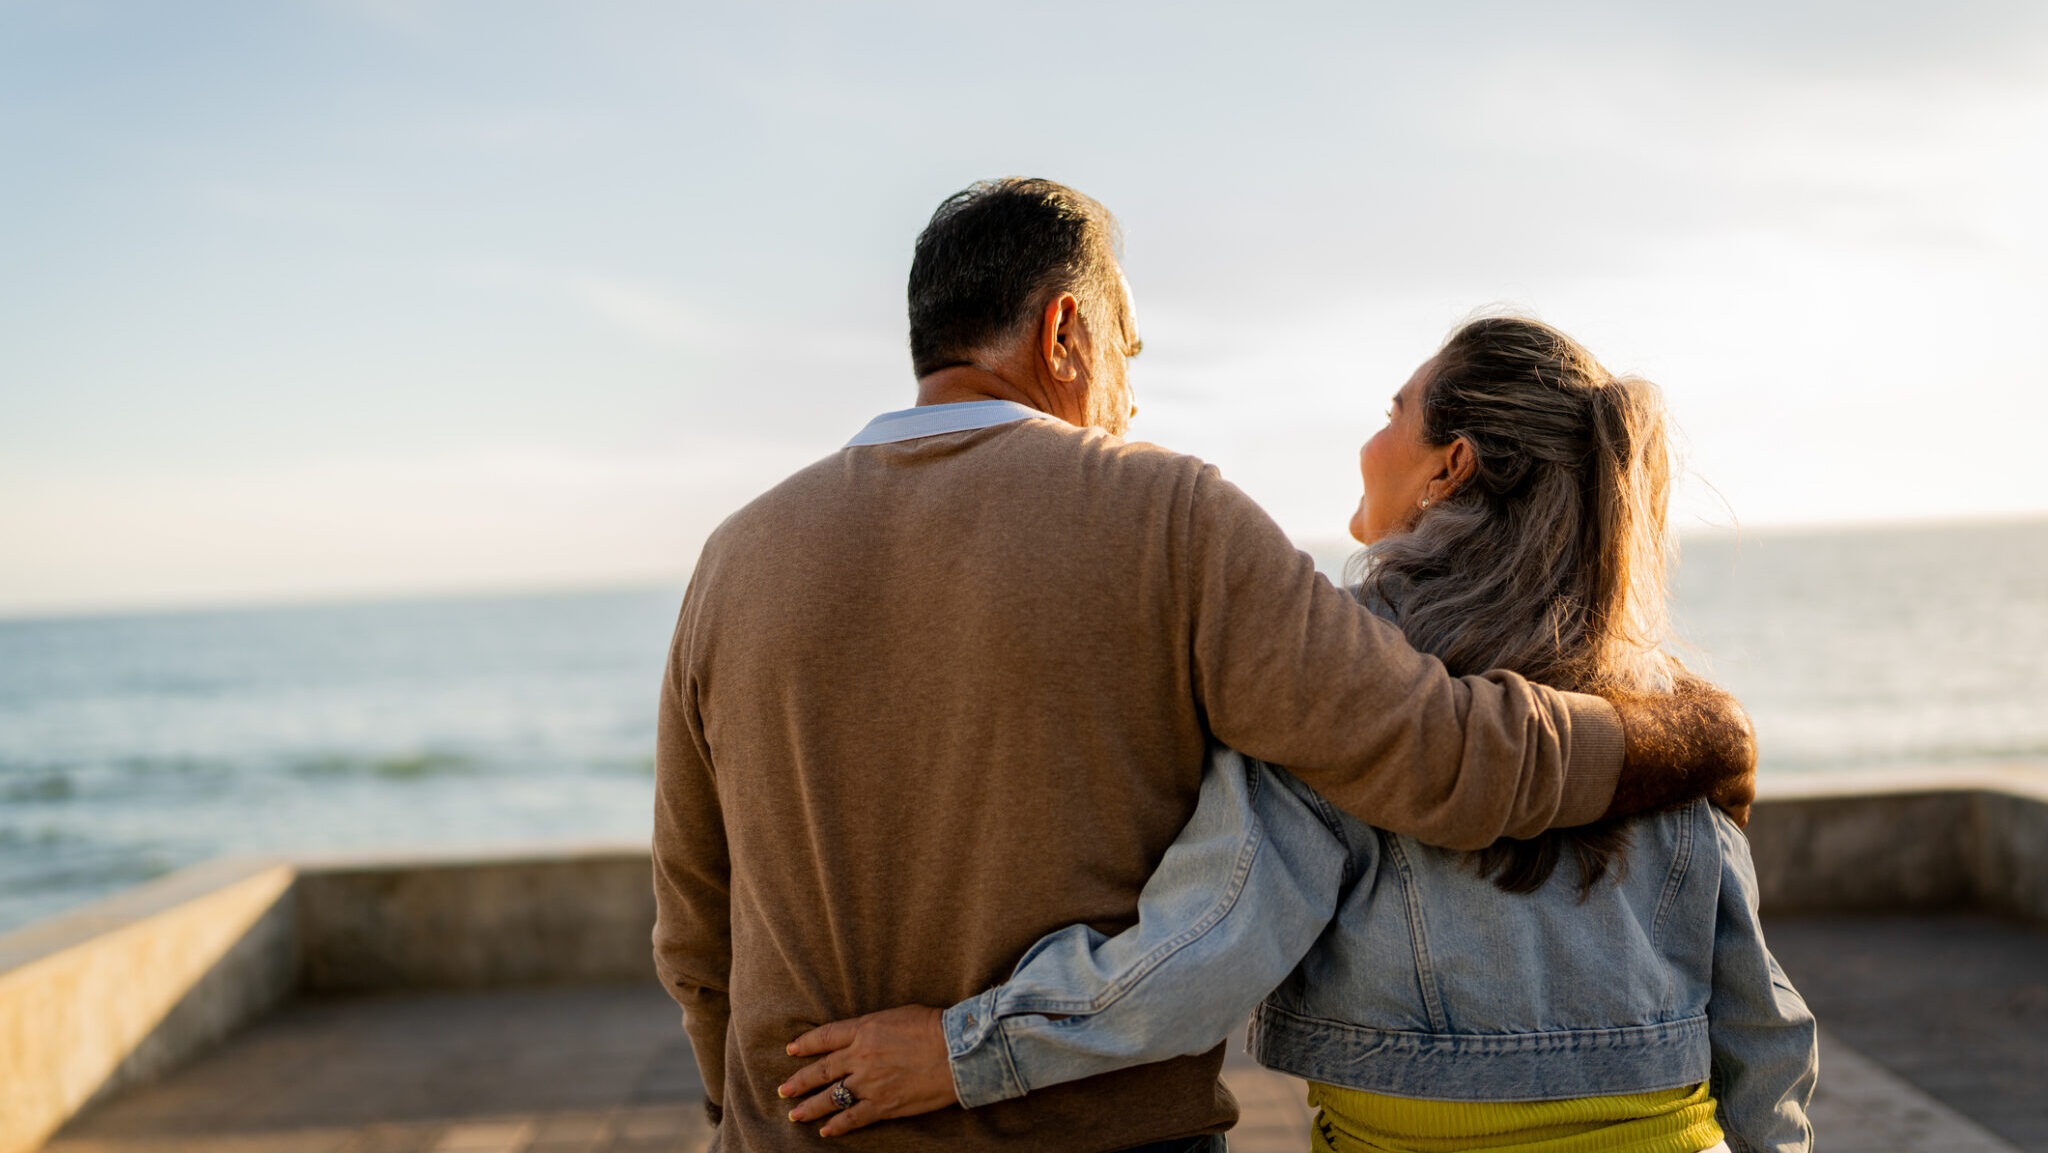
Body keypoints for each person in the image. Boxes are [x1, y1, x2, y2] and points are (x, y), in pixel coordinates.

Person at [652, 179, 1758, 1152]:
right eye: (1127, 352)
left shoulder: (733, 558)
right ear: (1065, 333)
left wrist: (745, 1107)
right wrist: (1693, 736)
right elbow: (1437, 754)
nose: (1129, 393)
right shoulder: (1166, 514)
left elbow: (695, 925)